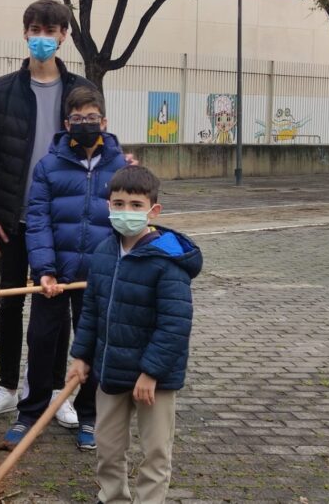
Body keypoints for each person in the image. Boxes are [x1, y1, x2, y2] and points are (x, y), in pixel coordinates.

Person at [0, 0, 99, 424]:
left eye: (51, 31)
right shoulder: (2, 90)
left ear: (64, 36)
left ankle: (53, 392)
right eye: (35, 29)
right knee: (10, 302)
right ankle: (8, 387)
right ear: (24, 32)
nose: (43, 38)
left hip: (62, 218)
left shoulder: (79, 89)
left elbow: (97, 144)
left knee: (56, 303)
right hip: (13, 217)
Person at [66, 166, 200, 504]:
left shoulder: (166, 261)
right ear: (108, 206)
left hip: (154, 379)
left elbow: (175, 323)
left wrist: (151, 372)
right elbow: (92, 311)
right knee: (108, 448)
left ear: (153, 211)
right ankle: (112, 497)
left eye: (136, 205)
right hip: (110, 369)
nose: (126, 212)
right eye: (119, 203)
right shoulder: (103, 254)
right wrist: (81, 356)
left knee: (155, 452)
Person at [3, 87, 127, 450]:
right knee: (41, 340)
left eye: (92, 118)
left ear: (104, 122)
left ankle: (89, 416)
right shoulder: (48, 166)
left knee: (93, 345)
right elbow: (38, 220)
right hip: (55, 274)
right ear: (66, 123)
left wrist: (114, 268)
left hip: (100, 277)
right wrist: (45, 269)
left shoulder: (120, 168)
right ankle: (30, 413)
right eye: (78, 119)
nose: (85, 124)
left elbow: (128, 219)